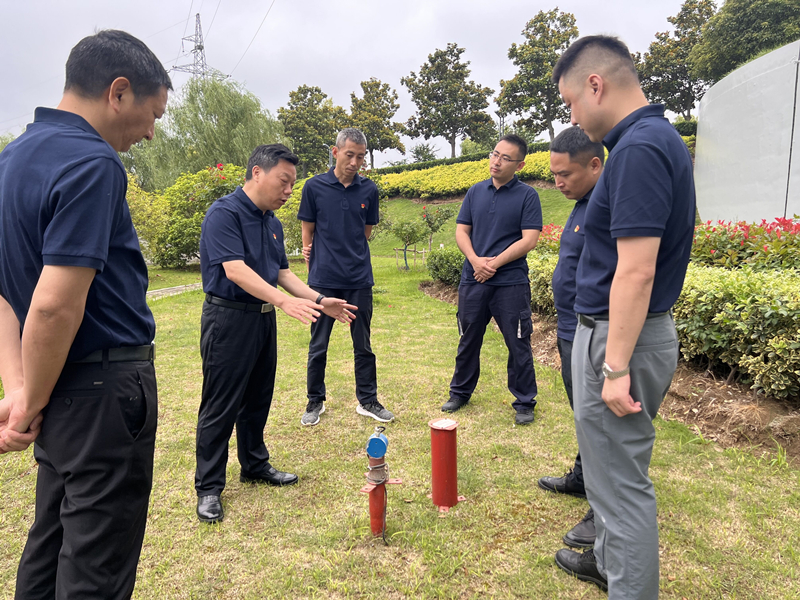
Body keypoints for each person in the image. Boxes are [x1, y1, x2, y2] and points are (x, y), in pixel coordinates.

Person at [0, 30, 171, 599]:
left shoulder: (10, 161)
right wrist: (31, 397)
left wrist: (23, 392)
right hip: (100, 394)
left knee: (49, 545)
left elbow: (4, 295)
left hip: (53, 393)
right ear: (117, 92)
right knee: (96, 566)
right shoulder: (93, 163)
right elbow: (51, 306)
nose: (150, 132)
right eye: (151, 114)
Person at [551, 36, 696, 598]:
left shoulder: (637, 149)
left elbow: (635, 271)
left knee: (621, 487)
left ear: (596, 84)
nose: (571, 115)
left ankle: (627, 583)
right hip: (620, 335)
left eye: (568, 102)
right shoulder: (651, 140)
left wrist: (613, 369)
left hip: (621, 342)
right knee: (610, 476)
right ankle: (608, 564)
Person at [195, 143, 356, 524]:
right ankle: (209, 487)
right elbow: (235, 270)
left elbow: (281, 273)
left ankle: (254, 465)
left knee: (257, 398)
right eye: (283, 182)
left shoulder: (271, 222)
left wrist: (320, 300)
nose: (288, 191)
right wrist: (284, 303)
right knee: (221, 403)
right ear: (256, 173)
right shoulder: (224, 213)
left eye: (292, 184)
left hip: (262, 320)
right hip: (228, 319)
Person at [442, 134, 542, 425]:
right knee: (468, 338)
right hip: (473, 279)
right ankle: (459, 393)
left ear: (519, 165)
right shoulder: (475, 192)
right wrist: (476, 261)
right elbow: (462, 231)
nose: (496, 161)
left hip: (510, 282)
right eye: (494, 154)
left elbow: (530, 239)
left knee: (518, 341)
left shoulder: (527, 196)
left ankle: (524, 401)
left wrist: (494, 263)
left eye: (505, 158)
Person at [297, 128, 394, 426]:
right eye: (349, 155)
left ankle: (368, 400)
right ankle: (315, 401)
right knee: (319, 344)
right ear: (336, 152)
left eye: (361, 157)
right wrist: (307, 250)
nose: (355, 162)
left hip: (359, 278)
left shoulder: (369, 190)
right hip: (324, 279)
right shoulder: (314, 187)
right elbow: (308, 229)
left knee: (363, 344)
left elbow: (365, 232)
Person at [537, 126, 604, 547]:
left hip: (592, 330)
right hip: (570, 328)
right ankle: (584, 477)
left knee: (598, 423)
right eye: (554, 175)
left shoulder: (606, 204)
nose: (558, 183)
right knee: (583, 414)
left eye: (566, 174)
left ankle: (601, 510)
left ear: (595, 164)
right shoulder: (582, 203)